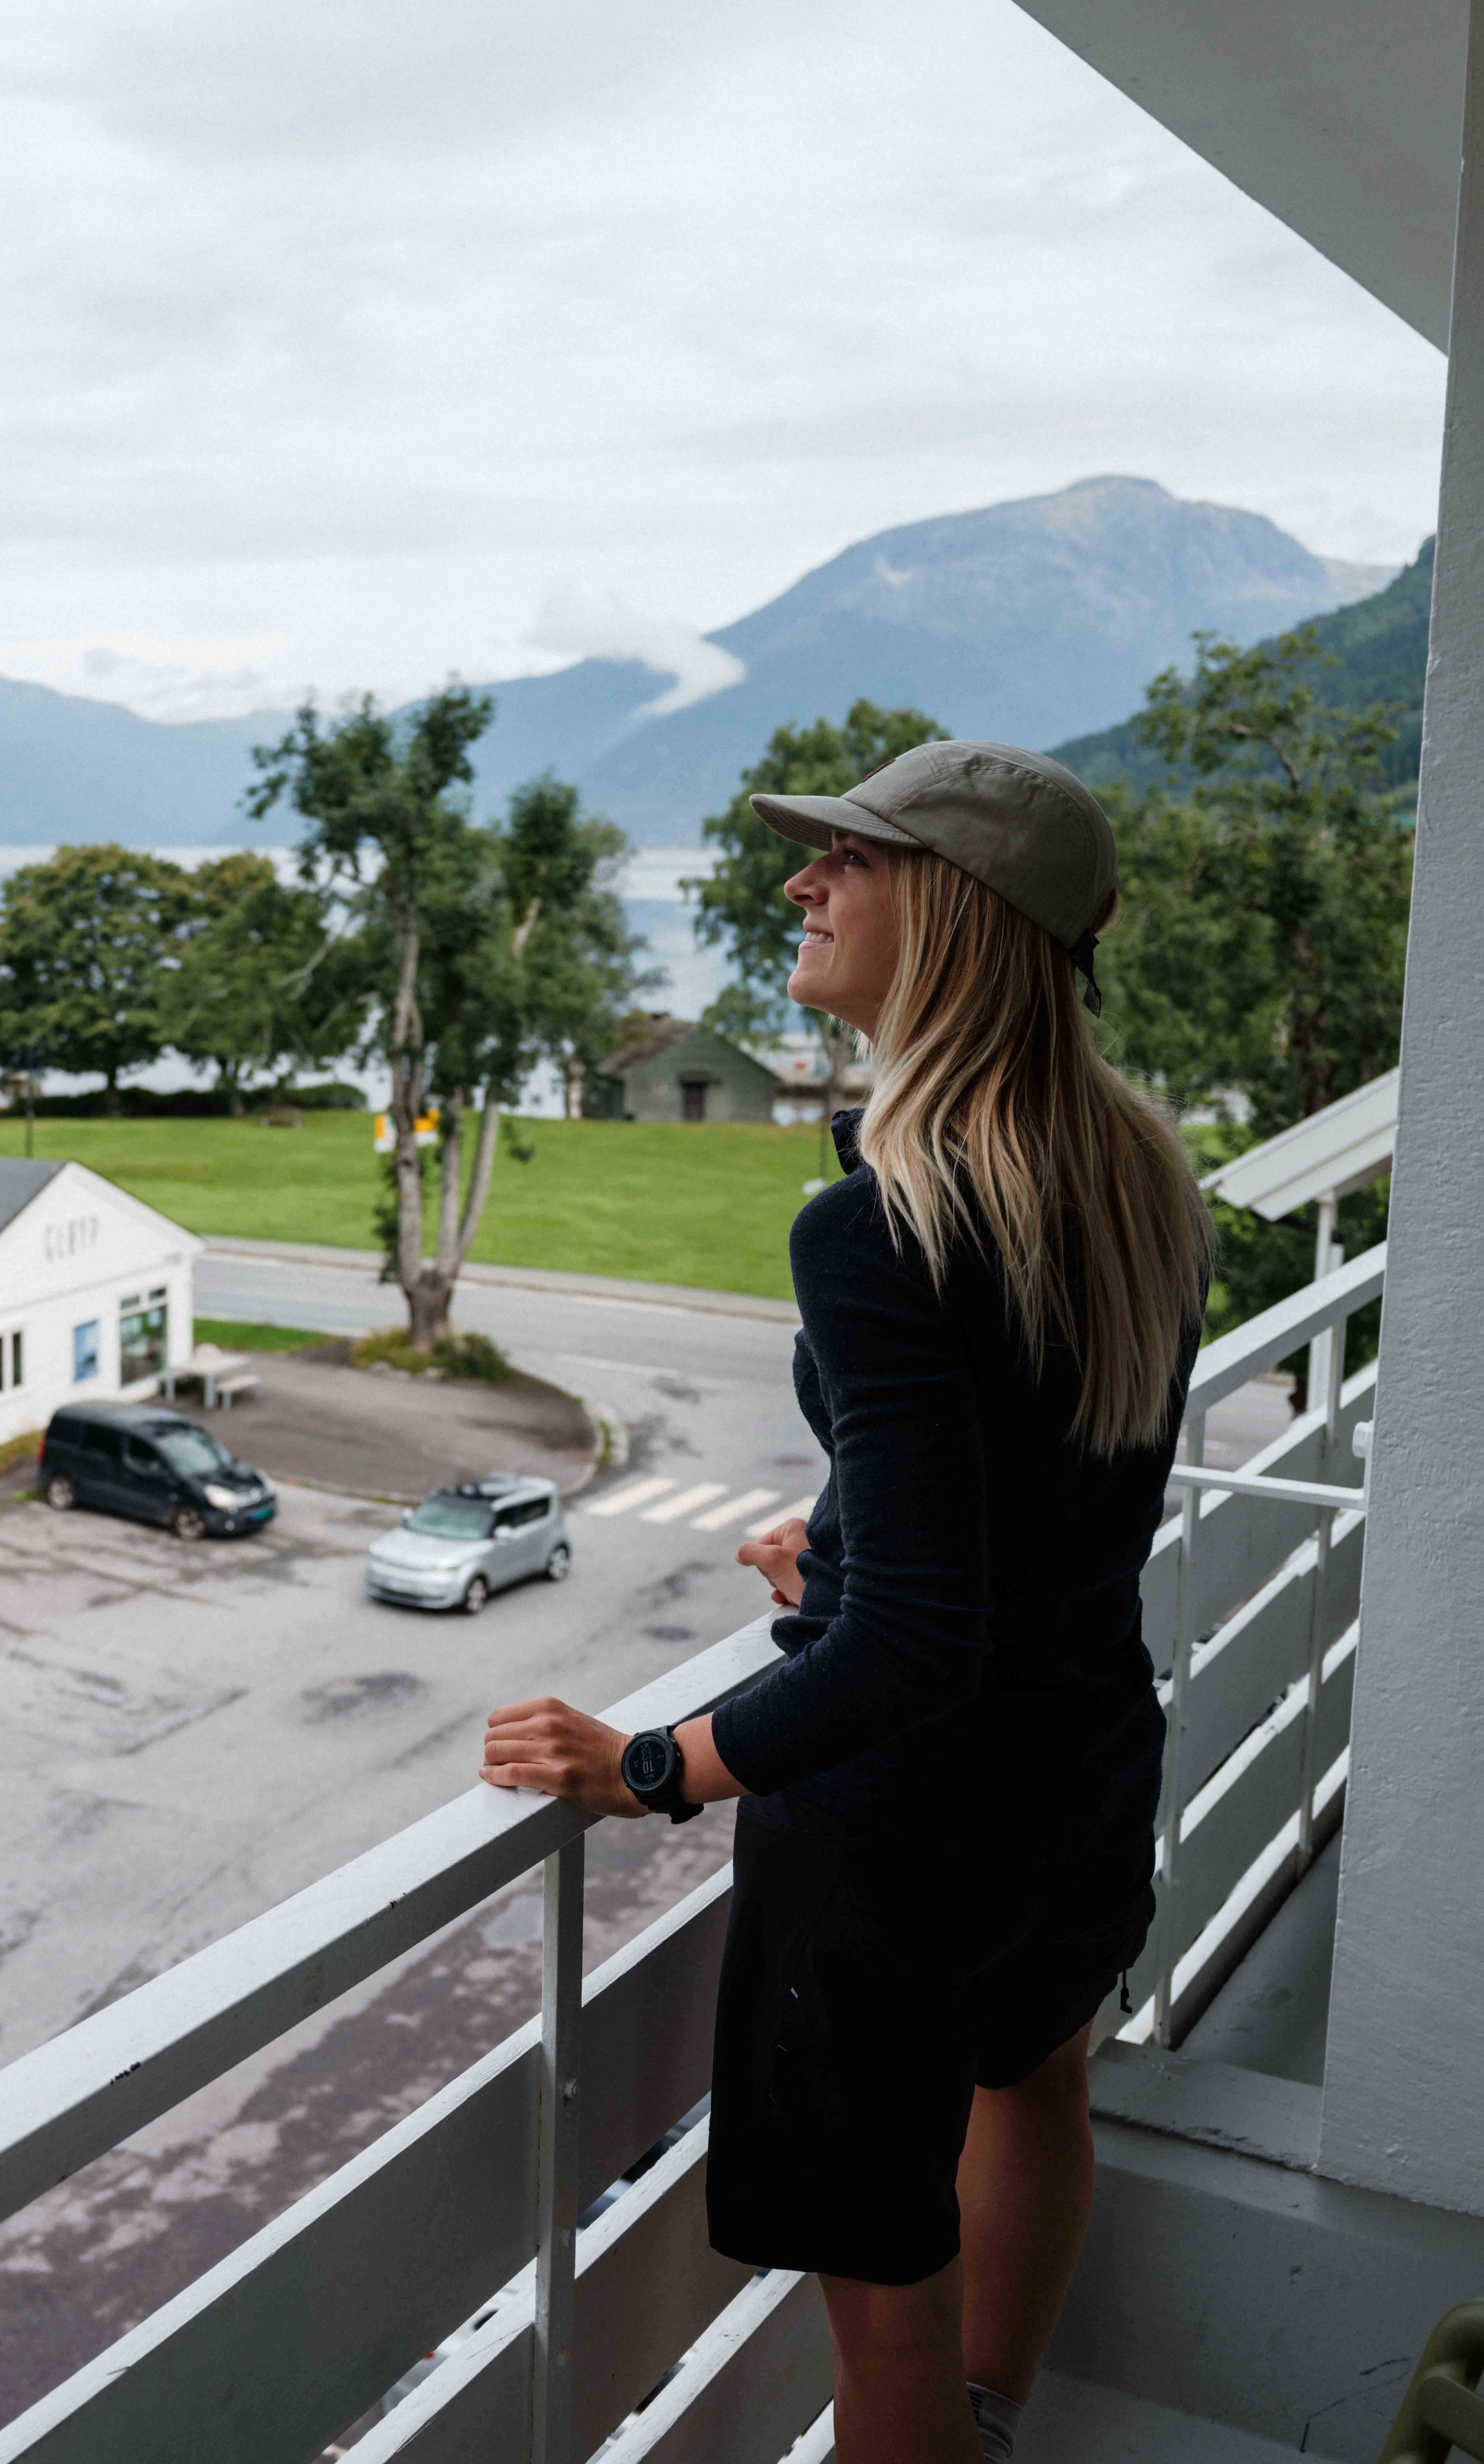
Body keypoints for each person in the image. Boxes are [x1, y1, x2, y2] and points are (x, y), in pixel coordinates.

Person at [481, 741, 1210, 2464]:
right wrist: (856, 1539)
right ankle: (993, 2424)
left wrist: (648, 1766)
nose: (799, 886)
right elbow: (1061, 1491)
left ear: (955, 914)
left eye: (846, 862)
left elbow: (909, 1652)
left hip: (905, 1849)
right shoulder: (1139, 1175)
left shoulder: (876, 1224)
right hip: (1081, 1773)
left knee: (883, 2292)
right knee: (1037, 2079)